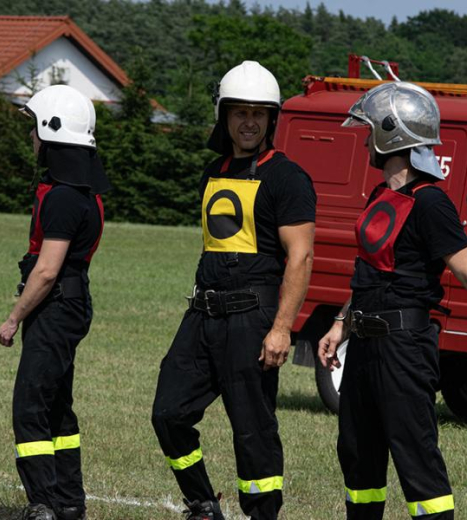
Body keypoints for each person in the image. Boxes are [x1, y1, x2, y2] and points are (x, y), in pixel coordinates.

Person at [317, 81, 467, 520]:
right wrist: (340, 324)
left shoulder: (431, 205)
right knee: (358, 458)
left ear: (391, 135)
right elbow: (369, 273)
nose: (365, 139)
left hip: (404, 347)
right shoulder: (379, 195)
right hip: (364, 347)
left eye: (370, 131)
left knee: (416, 462)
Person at [151, 61, 317, 520]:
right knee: (168, 413)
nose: (248, 122)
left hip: (253, 317)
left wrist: (281, 329)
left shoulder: (288, 178)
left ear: (271, 121)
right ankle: (203, 504)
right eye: (239, 112)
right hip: (203, 314)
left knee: (252, 431)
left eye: (258, 114)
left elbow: (300, 258)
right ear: (224, 117)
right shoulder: (212, 171)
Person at [0, 84, 111, 520]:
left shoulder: (63, 198)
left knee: (31, 404)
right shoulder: (81, 193)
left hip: (56, 306)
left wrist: (13, 318)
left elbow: (47, 270)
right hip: (71, 303)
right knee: (58, 405)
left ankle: (43, 503)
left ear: (52, 131)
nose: (31, 138)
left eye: (34, 129)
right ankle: (69, 502)